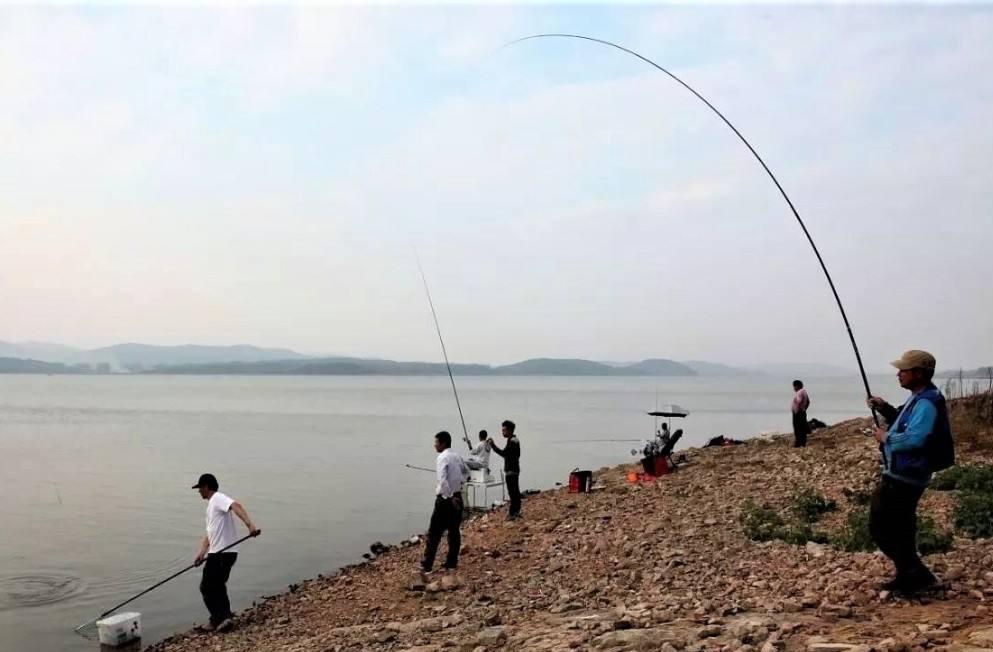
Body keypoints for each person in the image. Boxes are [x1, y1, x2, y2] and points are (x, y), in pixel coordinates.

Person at [866, 349, 953, 594]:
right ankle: (910, 575)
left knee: (881, 527)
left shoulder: (926, 401)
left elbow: (915, 438)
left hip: (905, 476)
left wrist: (886, 438)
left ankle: (916, 575)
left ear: (919, 373)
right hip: (905, 473)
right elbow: (904, 422)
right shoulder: (921, 397)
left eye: (904, 370)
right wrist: (883, 408)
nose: (898, 374)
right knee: (900, 528)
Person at [191, 473, 260, 633]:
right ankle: (224, 617)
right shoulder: (211, 507)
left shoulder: (217, 498)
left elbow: (236, 506)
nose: (199, 491)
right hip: (221, 552)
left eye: (200, 488)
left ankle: (218, 619)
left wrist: (250, 525)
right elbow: (210, 533)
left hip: (223, 552)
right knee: (217, 585)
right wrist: (201, 553)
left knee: (206, 587)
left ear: (206, 487)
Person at [421, 431, 469, 573]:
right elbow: (467, 473)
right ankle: (451, 563)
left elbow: (442, 480)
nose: (434, 445)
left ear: (443, 443)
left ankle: (427, 565)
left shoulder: (443, 457)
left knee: (434, 533)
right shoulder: (457, 456)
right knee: (454, 532)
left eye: (436, 442)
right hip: (458, 497)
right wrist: (459, 485)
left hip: (445, 500)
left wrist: (449, 496)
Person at [489, 420, 522, 520]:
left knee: (513, 493)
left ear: (510, 430)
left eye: (504, 430)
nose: (502, 432)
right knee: (515, 492)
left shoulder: (512, 441)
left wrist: (493, 445)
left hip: (511, 471)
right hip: (514, 470)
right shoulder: (513, 440)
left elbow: (504, 454)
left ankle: (513, 513)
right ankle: (515, 512)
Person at [791, 380, 811, 448]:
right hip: (802, 412)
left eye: (794, 386)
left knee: (797, 428)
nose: (793, 388)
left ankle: (798, 444)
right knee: (802, 428)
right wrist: (804, 409)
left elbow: (798, 402)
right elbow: (808, 402)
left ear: (796, 386)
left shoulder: (799, 392)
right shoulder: (804, 391)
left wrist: (797, 410)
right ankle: (803, 443)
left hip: (798, 413)